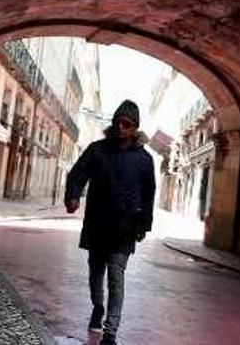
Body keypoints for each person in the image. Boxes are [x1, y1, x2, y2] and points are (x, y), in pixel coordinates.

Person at [64, 99, 155, 345]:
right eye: (117, 122)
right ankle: (97, 306)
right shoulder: (97, 150)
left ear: (135, 127)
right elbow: (78, 173)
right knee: (95, 275)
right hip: (97, 224)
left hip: (124, 229)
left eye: (126, 124)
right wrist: (72, 196)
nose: (121, 127)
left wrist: (144, 224)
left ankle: (111, 332)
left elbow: (149, 193)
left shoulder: (145, 160)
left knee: (116, 277)